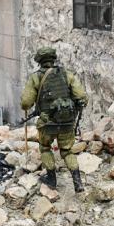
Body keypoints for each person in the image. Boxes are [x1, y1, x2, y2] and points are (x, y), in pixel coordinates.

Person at [20, 46, 88, 192]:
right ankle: (78, 183)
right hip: (67, 122)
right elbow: (82, 97)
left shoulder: (36, 77)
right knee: (67, 151)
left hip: (47, 123)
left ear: (39, 61)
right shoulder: (67, 74)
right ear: (54, 59)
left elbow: (26, 103)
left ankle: (51, 180)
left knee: (45, 148)